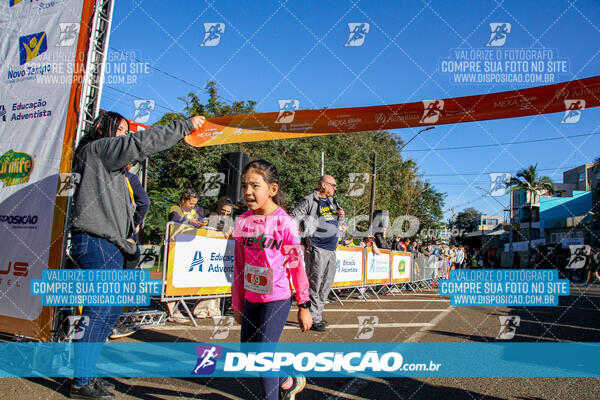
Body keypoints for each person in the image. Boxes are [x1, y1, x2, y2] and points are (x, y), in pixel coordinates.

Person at [69, 111, 205, 399]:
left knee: (110, 312)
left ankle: (88, 374)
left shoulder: (114, 170)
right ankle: (80, 382)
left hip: (113, 245)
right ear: (101, 129)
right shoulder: (97, 149)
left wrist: (129, 233)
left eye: (125, 129)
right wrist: (185, 127)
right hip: (97, 242)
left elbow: (139, 202)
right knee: (99, 311)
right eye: (119, 129)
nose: (123, 134)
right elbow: (142, 143)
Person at [232, 160, 312, 400]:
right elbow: (239, 266)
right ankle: (288, 379)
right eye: (245, 185)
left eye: (255, 186)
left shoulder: (284, 223)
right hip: (251, 298)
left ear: (272, 190)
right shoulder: (242, 222)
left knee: (265, 354)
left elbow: (297, 266)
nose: (248, 191)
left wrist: (304, 305)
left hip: (277, 298)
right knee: (248, 353)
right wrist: (237, 303)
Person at [290, 174, 345, 332]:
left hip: (331, 248)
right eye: (333, 185)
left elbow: (336, 223)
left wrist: (341, 217)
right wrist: (305, 235)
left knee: (326, 284)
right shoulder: (309, 200)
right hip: (316, 247)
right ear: (323, 185)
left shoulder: (333, 201)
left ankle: (317, 314)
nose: (335, 188)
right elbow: (293, 218)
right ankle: (313, 318)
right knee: (315, 283)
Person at [165, 188, 208, 322]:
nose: (193, 206)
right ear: (183, 200)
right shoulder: (175, 208)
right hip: (172, 247)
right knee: (171, 279)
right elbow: (175, 218)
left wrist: (203, 222)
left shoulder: (194, 212)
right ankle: (172, 311)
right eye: (190, 203)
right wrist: (192, 222)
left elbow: (200, 219)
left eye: (195, 204)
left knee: (181, 280)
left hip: (186, 249)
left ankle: (176, 308)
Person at [192, 196, 235, 319]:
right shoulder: (211, 217)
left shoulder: (229, 220)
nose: (225, 214)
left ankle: (214, 309)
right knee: (207, 281)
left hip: (221, 255)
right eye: (223, 211)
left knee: (217, 281)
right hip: (209, 254)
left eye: (228, 212)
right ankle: (201, 309)